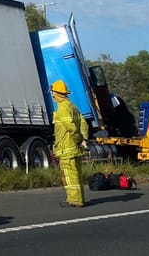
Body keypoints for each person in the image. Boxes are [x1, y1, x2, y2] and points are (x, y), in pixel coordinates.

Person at [51, 79, 88, 207]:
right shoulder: (74, 107)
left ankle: (74, 200)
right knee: (76, 175)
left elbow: (71, 127)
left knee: (69, 176)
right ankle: (79, 198)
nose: (52, 95)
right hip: (75, 149)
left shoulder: (62, 108)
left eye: (53, 93)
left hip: (67, 148)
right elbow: (83, 124)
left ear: (56, 94)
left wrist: (78, 138)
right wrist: (84, 139)